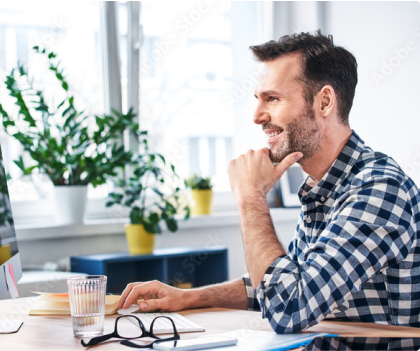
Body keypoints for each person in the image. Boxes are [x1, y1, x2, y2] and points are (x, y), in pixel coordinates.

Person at [117, 31, 420, 335]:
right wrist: (190, 297)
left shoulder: (377, 189)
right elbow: (285, 281)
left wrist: (250, 196)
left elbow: (289, 306)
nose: (257, 116)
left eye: (273, 98)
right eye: (259, 100)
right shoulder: (325, 187)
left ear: (324, 102)